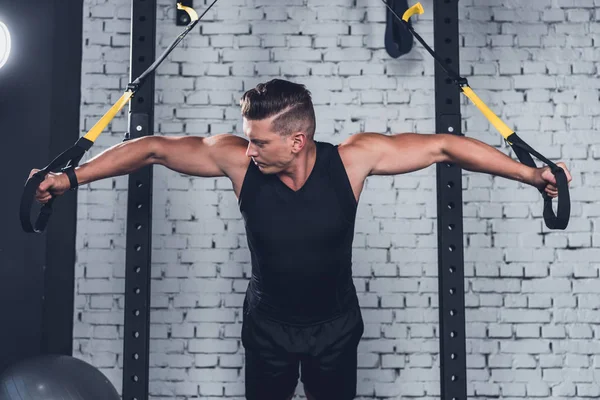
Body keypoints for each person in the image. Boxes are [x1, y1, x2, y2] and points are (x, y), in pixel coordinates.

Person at [31, 79, 571, 400]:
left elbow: (444, 148)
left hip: (335, 329)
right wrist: (68, 178)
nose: (249, 150)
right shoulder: (240, 164)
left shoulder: (354, 161)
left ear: (297, 139)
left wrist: (532, 176)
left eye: (259, 140)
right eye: (247, 138)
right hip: (267, 328)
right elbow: (152, 148)